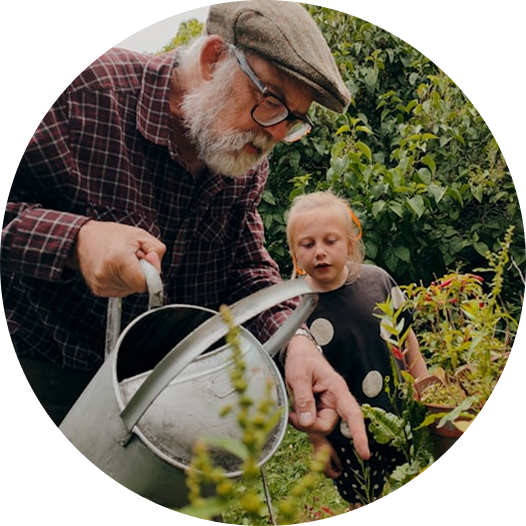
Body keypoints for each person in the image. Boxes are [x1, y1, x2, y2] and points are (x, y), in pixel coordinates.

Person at [2, 0, 370, 461]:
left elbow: (244, 265)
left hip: (168, 390)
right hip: (46, 370)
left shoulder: (242, 156)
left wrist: (296, 342)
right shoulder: (85, 92)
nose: (277, 133)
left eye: (293, 119)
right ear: (214, 59)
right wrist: (76, 240)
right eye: (273, 101)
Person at [286, 191, 428, 507]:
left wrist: (424, 387)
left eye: (330, 241)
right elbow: (301, 387)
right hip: (345, 435)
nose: (319, 252)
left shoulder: (378, 282)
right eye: (307, 244)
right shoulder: (295, 308)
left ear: (350, 244)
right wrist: (318, 440)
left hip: (399, 416)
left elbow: (407, 339)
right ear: (295, 254)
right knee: (363, 496)